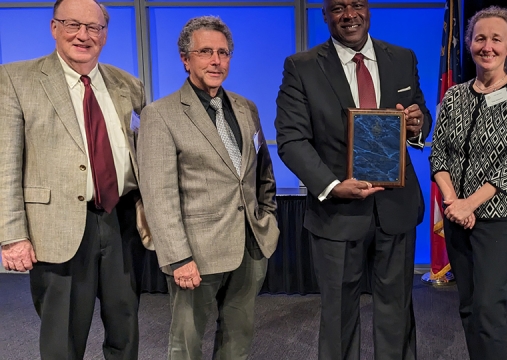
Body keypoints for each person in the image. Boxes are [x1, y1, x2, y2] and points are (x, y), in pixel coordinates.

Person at [274, 0, 431, 358]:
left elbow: (419, 118)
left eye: (356, 5)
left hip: (396, 209)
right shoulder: (301, 67)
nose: (349, 15)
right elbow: (291, 140)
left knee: (397, 310)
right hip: (337, 214)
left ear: (368, 10)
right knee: (338, 315)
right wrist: (332, 186)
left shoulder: (403, 58)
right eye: (338, 7)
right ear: (325, 15)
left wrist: (418, 125)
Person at [0, 0, 148, 358]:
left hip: (121, 221)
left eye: (94, 27)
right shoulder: (16, 79)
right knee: (63, 335)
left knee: (125, 325)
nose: (83, 35)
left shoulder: (128, 84)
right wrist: (12, 236)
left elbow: (142, 151)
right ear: (54, 28)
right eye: (72, 25)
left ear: (105, 34)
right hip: (57, 226)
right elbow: (5, 164)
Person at [137, 16, 279, 360]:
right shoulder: (160, 114)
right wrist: (179, 257)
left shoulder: (247, 108)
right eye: (205, 52)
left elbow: (262, 170)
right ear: (186, 59)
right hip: (195, 255)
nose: (216, 61)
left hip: (250, 246)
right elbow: (158, 196)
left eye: (223, 52)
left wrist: (268, 217)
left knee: (238, 340)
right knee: (185, 344)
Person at [428, 6, 507, 360]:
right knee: (468, 308)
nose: (487, 46)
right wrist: (452, 203)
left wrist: (470, 203)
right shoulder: (454, 97)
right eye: (480, 38)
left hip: (497, 222)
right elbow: (438, 155)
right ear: (469, 44)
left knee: (489, 311)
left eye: (496, 39)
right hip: (457, 217)